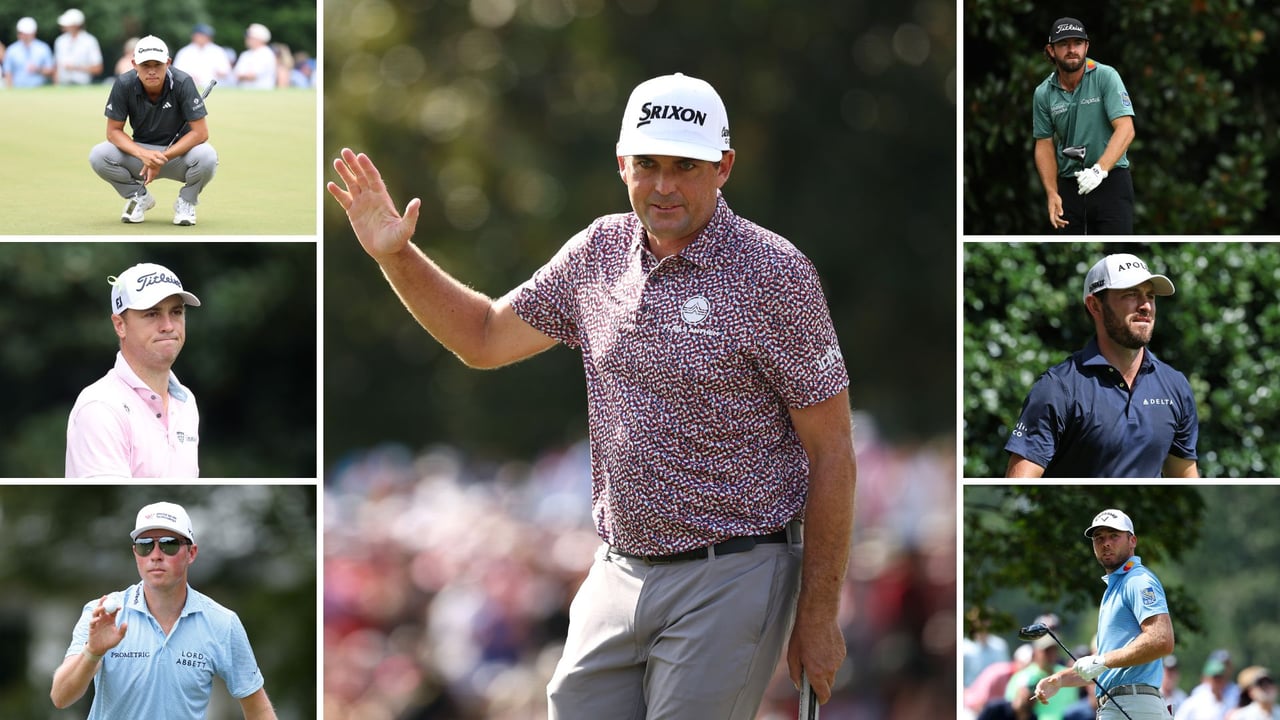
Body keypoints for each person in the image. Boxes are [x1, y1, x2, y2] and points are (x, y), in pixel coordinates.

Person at [328, 71, 856, 719]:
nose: (663, 185)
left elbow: (832, 452)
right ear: (621, 163)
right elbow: (485, 337)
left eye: (685, 167)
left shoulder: (775, 275)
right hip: (618, 569)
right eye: (648, 164)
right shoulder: (598, 253)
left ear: (724, 166)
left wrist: (819, 614)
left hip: (735, 569)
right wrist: (396, 257)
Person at [49, 501, 277, 718]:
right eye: (145, 546)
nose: (156, 555)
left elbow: (257, 710)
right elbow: (61, 697)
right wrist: (92, 652)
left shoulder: (222, 622)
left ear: (191, 553)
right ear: (135, 553)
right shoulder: (103, 613)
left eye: (169, 544)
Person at [1005, 252, 1199, 478]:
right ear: (1095, 305)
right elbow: (1019, 483)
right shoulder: (1058, 387)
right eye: (1131, 294)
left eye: (1151, 296)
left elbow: (1184, 479)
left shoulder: (1175, 385)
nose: (1146, 306)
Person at [1033, 509, 1176, 720]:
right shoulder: (1116, 587)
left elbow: (1161, 640)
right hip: (1127, 705)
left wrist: (1102, 661)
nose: (1105, 543)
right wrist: (1061, 679)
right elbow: (1106, 666)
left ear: (1132, 541)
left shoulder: (1137, 580)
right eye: (1099, 538)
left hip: (1131, 704)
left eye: (1114, 536)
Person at [66, 262, 202, 478]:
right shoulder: (101, 407)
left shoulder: (186, 401)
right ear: (120, 325)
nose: (168, 325)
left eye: (176, 312)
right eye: (151, 314)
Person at [88, 35, 218, 226]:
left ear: (168, 63)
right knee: (99, 155)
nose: (151, 71)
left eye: (157, 65)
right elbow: (113, 132)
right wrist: (144, 155)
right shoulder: (124, 84)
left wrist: (161, 158)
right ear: (134, 64)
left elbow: (200, 133)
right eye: (145, 65)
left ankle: (186, 201)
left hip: (178, 155)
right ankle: (139, 196)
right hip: (140, 155)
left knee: (208, 156)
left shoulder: (183, 82)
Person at [1033, 17, 1136, 234]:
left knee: (1117, 248)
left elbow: (1126, 128)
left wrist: (1100, 170)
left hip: (1111, 180)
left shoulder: (1105, 76)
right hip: (1070, 186)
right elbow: (1044, 144)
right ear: (1051, 50)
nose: (1072, 50)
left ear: (1086, 46)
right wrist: (1052, 193)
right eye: (1064, 44)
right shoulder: (1043, 93)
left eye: (1077, 43)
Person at [1008, 635, 1075, 719]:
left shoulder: (1068, 674)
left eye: (1054, 649)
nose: (1051, 654)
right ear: (1035, 652)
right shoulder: (1022, 677)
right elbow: (1014, 708)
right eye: (1046, 651)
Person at [172, 23, 231, 90]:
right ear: (194, 36)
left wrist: (220, 73)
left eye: (207, 36)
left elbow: (226, 71)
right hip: (190, 88)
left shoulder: (217, 51)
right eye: (202, 36)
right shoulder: (184, 52)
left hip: (215, 89)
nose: (205, 38)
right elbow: (176, 72)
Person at [1178, 654, 1236, 720]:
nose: (1218, 681)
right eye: (1215, 678)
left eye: (1221, 677)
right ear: (1208, 679)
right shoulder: (1196, 700)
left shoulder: (1232, 697)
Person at [53, 8, 103, 85]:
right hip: (62, 86)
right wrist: (55, 85)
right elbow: (56, 67)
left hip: (83, 86)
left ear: (76, 25)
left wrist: (76, 67)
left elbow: (98, 68)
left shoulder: (90, 41)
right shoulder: (60, 41)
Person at [966, 606, 1012, 688]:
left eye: (985, 620)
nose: (983, 623)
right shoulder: (964, 648)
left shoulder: (1000, 645)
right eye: (980, 620)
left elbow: (1005, 674)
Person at [3, 17, 54, 88]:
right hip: (17, 90)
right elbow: (7, 72)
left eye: (28, 33)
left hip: (40, 90)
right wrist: (9, 89)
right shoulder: (11, 50)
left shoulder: (43, 48)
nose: (25, 36)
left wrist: (38, 69)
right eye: (23, 33)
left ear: (34, 33)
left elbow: (51, 71)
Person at [233, 23, 277, 90]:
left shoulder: (266, 53)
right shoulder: (245, 54)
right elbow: (236, 74)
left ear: (259, 39)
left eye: (250, 37)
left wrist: (242, 76)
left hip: (262, 93)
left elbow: (252, 75)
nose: (247, 39)